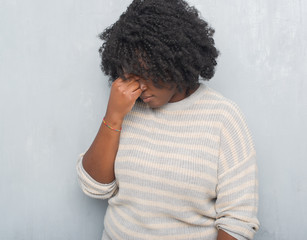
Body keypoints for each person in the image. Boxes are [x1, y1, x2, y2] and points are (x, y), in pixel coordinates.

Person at [76, 0, 260, 239]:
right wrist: (113, 116)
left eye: (147, 74)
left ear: (173, 60)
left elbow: (237, 220)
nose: (140, 87)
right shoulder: (126, 109)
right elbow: (94, 187)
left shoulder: (222, 118)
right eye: (131, 76)